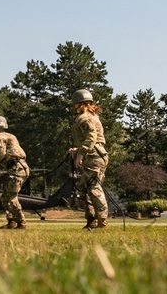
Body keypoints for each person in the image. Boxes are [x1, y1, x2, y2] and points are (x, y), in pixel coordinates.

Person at [68, 88, 109, 230]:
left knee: (94, 189)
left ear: (78, 104)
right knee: (84, 189)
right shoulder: (92, 117)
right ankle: (91, 220)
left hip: (94, 156)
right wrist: (78, 149)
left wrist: (80, 153)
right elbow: (91, 138)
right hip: (95, 154)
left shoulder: (83, 118)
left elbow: (91, 136)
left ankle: (101, 221)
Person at [0, 115, 30, 229]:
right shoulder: (11, 136)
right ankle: (12, 222)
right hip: (21, 168)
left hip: (16, 169)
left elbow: (1, 154)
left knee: (9, 197)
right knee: (7, 197)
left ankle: (21, 222)